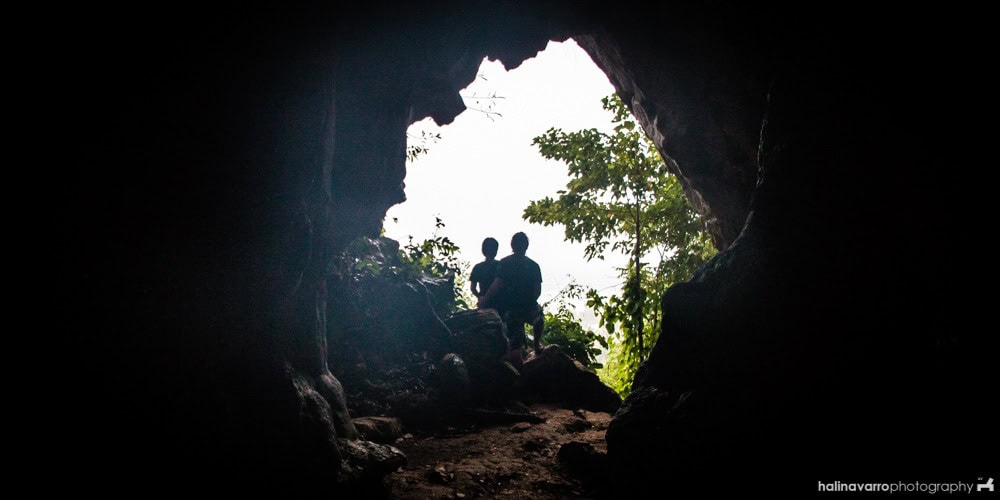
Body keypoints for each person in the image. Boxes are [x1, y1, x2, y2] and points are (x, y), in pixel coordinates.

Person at [478, 232, 544, 365]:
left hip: (510, 308)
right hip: (529, 305)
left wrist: (484, 300)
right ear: (526, 246)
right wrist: (529, 301)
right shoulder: (533, 265)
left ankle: (519, 374)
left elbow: (497, 285)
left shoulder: (505, 263)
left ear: (512, 245)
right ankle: (537, 345)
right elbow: (537, 290)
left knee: (514, 346)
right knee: (539, 319)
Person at [469, 237, 500, 301]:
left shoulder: (478, 267)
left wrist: (480, 297)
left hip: (484, 299)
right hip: (499, 300)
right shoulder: (500, 265)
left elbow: (473, 288)